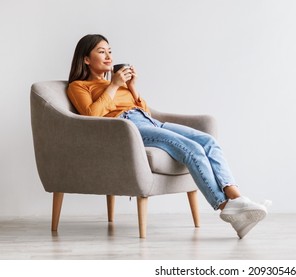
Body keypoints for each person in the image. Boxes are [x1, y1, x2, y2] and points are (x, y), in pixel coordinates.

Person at [67, 34, 269, 239]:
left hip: (149, 121)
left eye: (110, 51)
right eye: (102, 52)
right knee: (193, 149)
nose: (108, 56)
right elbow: (91, 115)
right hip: (126, 128)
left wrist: (132, 87)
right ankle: (225, 205)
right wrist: (114, 85)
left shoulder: (120, 85)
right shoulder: (79, 86)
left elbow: (143, 109)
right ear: (86, 59)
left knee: (208, 141)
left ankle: (236, 199)